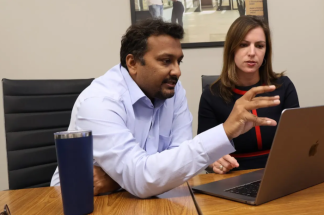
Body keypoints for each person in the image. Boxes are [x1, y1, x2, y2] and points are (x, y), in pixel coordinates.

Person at [50, 18, 281, 198]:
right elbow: (146, 178)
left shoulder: (172, 90)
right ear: (132, 63)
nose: (177, 71)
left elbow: (178, 164)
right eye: (165, 61)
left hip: (143, 196)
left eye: (178, 61)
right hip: (78, 202)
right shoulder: (99, 102)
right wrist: (226, 131)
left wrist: (116, 179)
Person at [197, 16, 299, 174]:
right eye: (244, 45)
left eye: (259, 46)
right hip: (233, 175)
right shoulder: (211, 95)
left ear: (266, 51)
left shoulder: (284, 87)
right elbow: (204, 153)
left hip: (279, 172)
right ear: (232, 49)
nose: (252, 53)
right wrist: (214, 162)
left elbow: (297, 139)